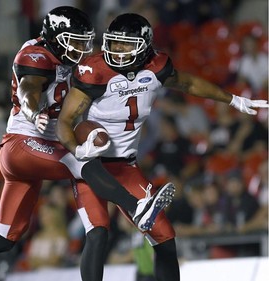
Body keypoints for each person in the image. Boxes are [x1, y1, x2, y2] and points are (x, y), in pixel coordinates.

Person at [55, 13, 269, 281]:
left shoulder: (156, 66)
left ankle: (140, 210)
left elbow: (188, 83)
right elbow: (65, 120)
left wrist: (232, 100)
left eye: (125, 45)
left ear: (143, 47)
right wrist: (77, 150)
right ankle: (137, 207)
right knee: (98, 233)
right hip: (92, 163)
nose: (116, 50)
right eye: (114, 43)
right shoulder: (94, 70)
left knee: (165, 238)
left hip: (125, 164)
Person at [0, 6, 173, 260]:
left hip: (46, 146)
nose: (80, 49)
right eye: (74, 42)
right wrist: (34, 113)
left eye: (84, 42)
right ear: (54, 37)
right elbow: (29, 91)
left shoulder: (76, 61)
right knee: (82, 161)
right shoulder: (36, 55)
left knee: (4, 238)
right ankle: (137, 207)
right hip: (24, 141)